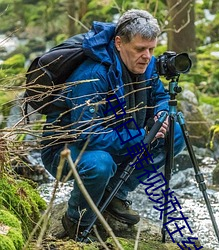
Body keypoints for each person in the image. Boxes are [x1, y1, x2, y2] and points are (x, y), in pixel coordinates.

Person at [41, 9, 185, 241]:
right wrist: (143, 135)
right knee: (100, 164)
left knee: (175, 132)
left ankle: (115, 193)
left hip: (121, 136)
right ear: (119, 43)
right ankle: (76, 221)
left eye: (151, 49)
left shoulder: (146, 64)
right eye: (140, 49)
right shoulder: (92, 74)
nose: (147, 56)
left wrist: (161, 114)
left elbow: (159, 96)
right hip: (67, 150)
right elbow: (86, 135)